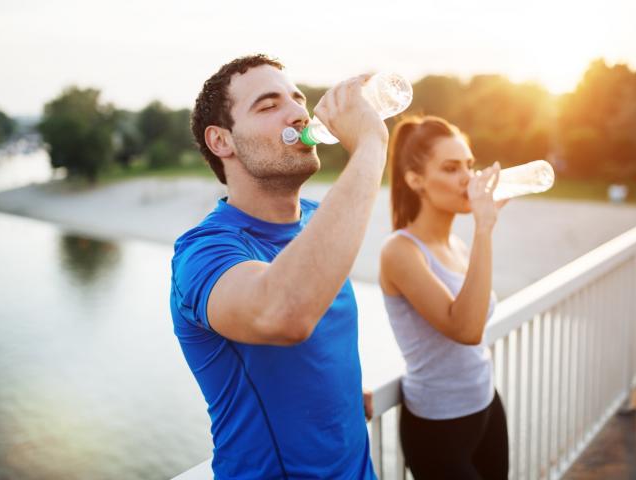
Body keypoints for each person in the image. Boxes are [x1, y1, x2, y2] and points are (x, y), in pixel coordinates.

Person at [170, 54, 387, 479]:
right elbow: (283, 313)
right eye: (268, 106)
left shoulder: (316, 219)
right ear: (222, 142)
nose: (297, 113)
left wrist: (338, 393)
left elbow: (315, 349)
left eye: (297, 98)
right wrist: (371, 144)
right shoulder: (202, 254)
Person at [379, 115, 509, 479]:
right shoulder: (401, 252)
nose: (468, 178)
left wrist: (480, 232)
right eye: (452, 168)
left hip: (484, 403)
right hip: (438, 426)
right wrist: (484, 227)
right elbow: (466, 329)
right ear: (415, 180)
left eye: (469, 165)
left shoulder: (457, 244)